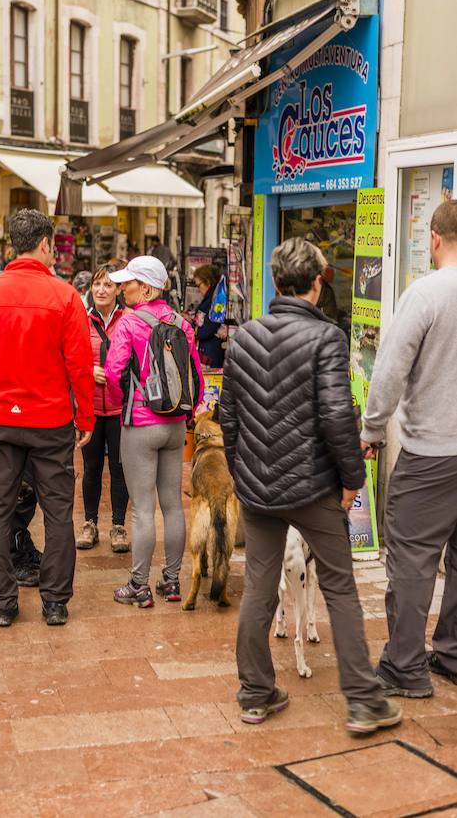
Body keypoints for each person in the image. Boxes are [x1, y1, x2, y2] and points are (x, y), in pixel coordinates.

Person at [219, 237, 401, 736]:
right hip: (314, 487)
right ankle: (363, 701)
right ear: (317, 284)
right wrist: (350, 483)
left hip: (259, 489)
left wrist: (243, 473)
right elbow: (339, 419)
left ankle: (255, 693)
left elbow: (227, 417)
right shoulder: (327, 339)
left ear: (277, 281)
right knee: (340, 588)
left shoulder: (245, 338)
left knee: (259, 586)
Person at [0, 209, 95, 628]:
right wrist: (85, 415)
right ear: (44, 245)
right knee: (58, 511)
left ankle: (2, 606)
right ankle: (55, 602)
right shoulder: (65, 296)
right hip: (50, 420)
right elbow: (79, 363)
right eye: (53, 246)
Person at [361, 199, 457, 696]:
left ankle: (403, 666)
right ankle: (454, 652)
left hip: (432, 453)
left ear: (434, 239)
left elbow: (389, 369)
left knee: (415, 558)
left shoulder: (425, 294)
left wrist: (372, 430)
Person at [105, 256, 204, 607]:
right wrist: (185, 412)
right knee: (173, 505)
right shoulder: (183, 323)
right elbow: (197, 378)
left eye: (128, 282)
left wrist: (126, 405)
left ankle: (139, 586)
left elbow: (114, 373)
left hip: (141, 425)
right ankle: (173, 581)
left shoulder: (129, 324)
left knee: (143, 509)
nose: (122, 288)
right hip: (175, 426)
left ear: (146, 288)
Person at [76, 264, 130, 553]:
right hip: (91, 408)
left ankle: (118, 526)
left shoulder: (128, 320)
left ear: (118, 289)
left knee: (120, 468)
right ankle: (90, 523)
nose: (101, 290)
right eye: (97, 284)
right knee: (92, 468)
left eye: (108, 285)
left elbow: (137, 360)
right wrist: (88, 370)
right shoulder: (81, 320)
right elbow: (69, 358)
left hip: (121, 409)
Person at [192, 264, 227, 368]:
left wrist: (194, 331)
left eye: (199, 285)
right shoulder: (209, 298)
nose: (198, 289)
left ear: (208, 281)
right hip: (207, 351)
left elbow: (208, 328)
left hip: (211, 354)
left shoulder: (216, 299)